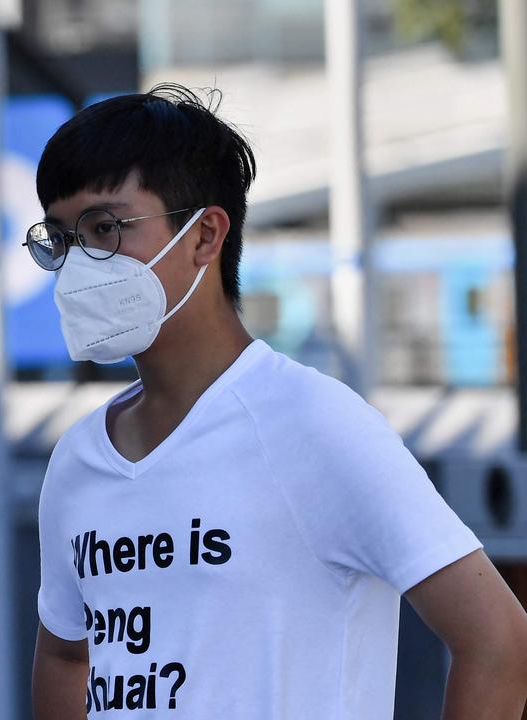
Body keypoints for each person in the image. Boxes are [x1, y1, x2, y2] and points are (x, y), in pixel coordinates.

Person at [28, 84, 527, 719]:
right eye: (60, 238)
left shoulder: (315, 425)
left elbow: (500, 643)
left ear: (206, 235)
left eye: (105, 228)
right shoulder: (78, 460)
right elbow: (68, 655)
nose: (80, 262)